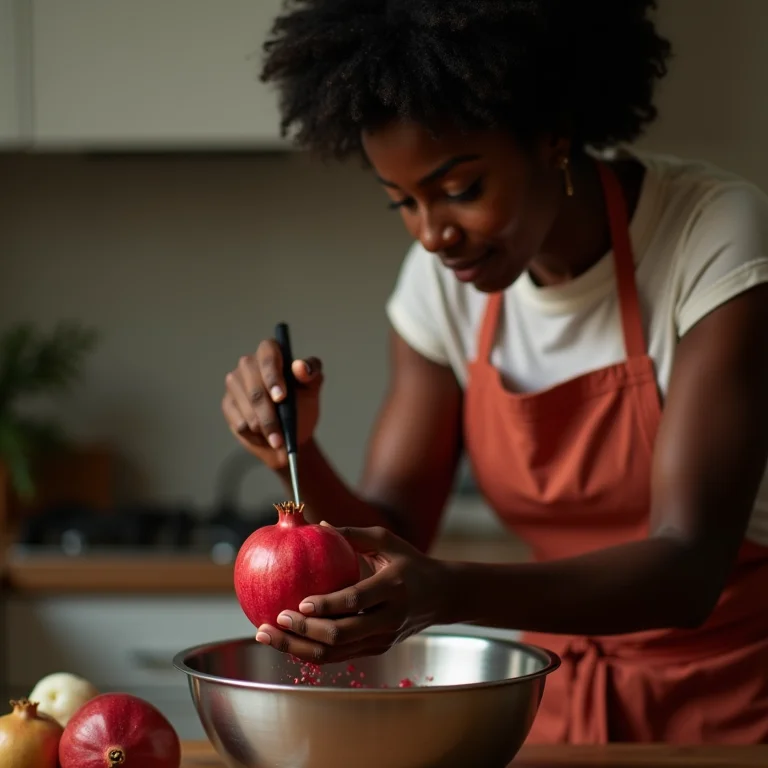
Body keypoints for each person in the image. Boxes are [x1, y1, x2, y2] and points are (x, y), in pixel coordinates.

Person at [221, 0, 768, 745]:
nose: (433, 234)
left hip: (737, 697)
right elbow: (395, 533)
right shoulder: (438, 285)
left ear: (554, 136)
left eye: (461, 189)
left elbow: (689, 566)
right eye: (403, 204)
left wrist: (448, 590)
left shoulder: (713, 237)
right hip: (559, 702)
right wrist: (294, 451)